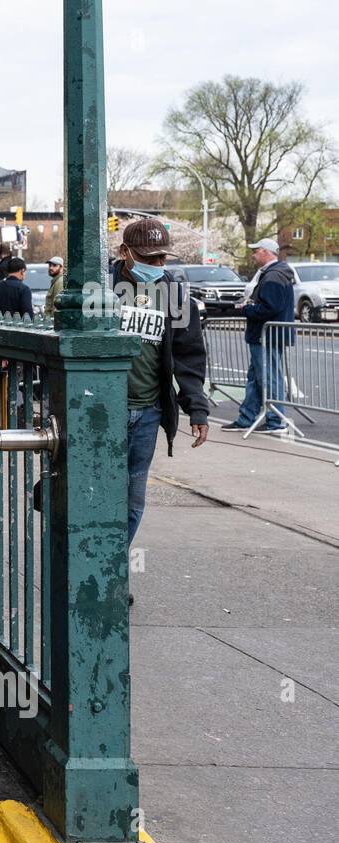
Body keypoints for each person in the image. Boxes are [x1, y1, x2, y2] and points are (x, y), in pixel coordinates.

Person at [110, 218, 210, 603]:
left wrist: (196, 410)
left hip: (148, 411)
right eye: (148, 257)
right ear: (125, 254)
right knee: (96, 493)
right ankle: (98, 571)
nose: (157, 264)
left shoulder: (174, 294)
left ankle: (111, 569)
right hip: (106, 409)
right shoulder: (100, 288)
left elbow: (188, 355)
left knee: (133, 501)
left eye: (162, 257)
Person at [223, 238, 295, 434]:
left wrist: (247, 309)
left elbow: (270, 308)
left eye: (256, 251)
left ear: (265, 252)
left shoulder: (273, 276)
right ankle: (248, 418)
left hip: (266, 336)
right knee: (257, 378)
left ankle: (275, 421)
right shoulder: (277, 274)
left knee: (268, 378)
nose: (253, 255)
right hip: (268, 335)